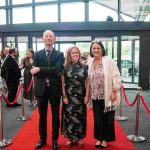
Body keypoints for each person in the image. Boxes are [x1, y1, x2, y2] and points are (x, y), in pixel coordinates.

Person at [30, 30, 64, 150]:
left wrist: (40, 69)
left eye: (51, 36)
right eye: (46, 36)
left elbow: (57, 69)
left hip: (55, 89)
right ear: (42, 39)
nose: (49, 38)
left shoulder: (60, 54)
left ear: (54, 39)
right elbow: (35, 73)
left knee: (55, 116)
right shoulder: (37, 54)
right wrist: (40, 70)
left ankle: (55, 140)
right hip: (41, 89)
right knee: (42, 116)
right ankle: (42, 139)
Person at [87, 41, 121, 148]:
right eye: (94, 48)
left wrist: (114, 91)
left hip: (108, 95)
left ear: (102, 49)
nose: (96, 50)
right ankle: (99, 138)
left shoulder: (109, 61)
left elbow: (116, 76)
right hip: (95, 96)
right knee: (97, 118)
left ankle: (105, 139)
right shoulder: (90, 61)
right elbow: (87, 79)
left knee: (108, 118)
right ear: (91, 50)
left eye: (98, 48)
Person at [61, 46, 89, 148]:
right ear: (69, 55)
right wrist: (64, 96)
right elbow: (62, 83)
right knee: (69, 118)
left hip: (81, 97)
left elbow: (87, 82)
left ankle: (78, 139)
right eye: (73, 53)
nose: (75, 54)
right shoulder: (65, 67)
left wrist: (87, 96)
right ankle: (70, 139)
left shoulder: (84, 67)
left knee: (80, 118)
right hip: (69, 97)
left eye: (77, 52)